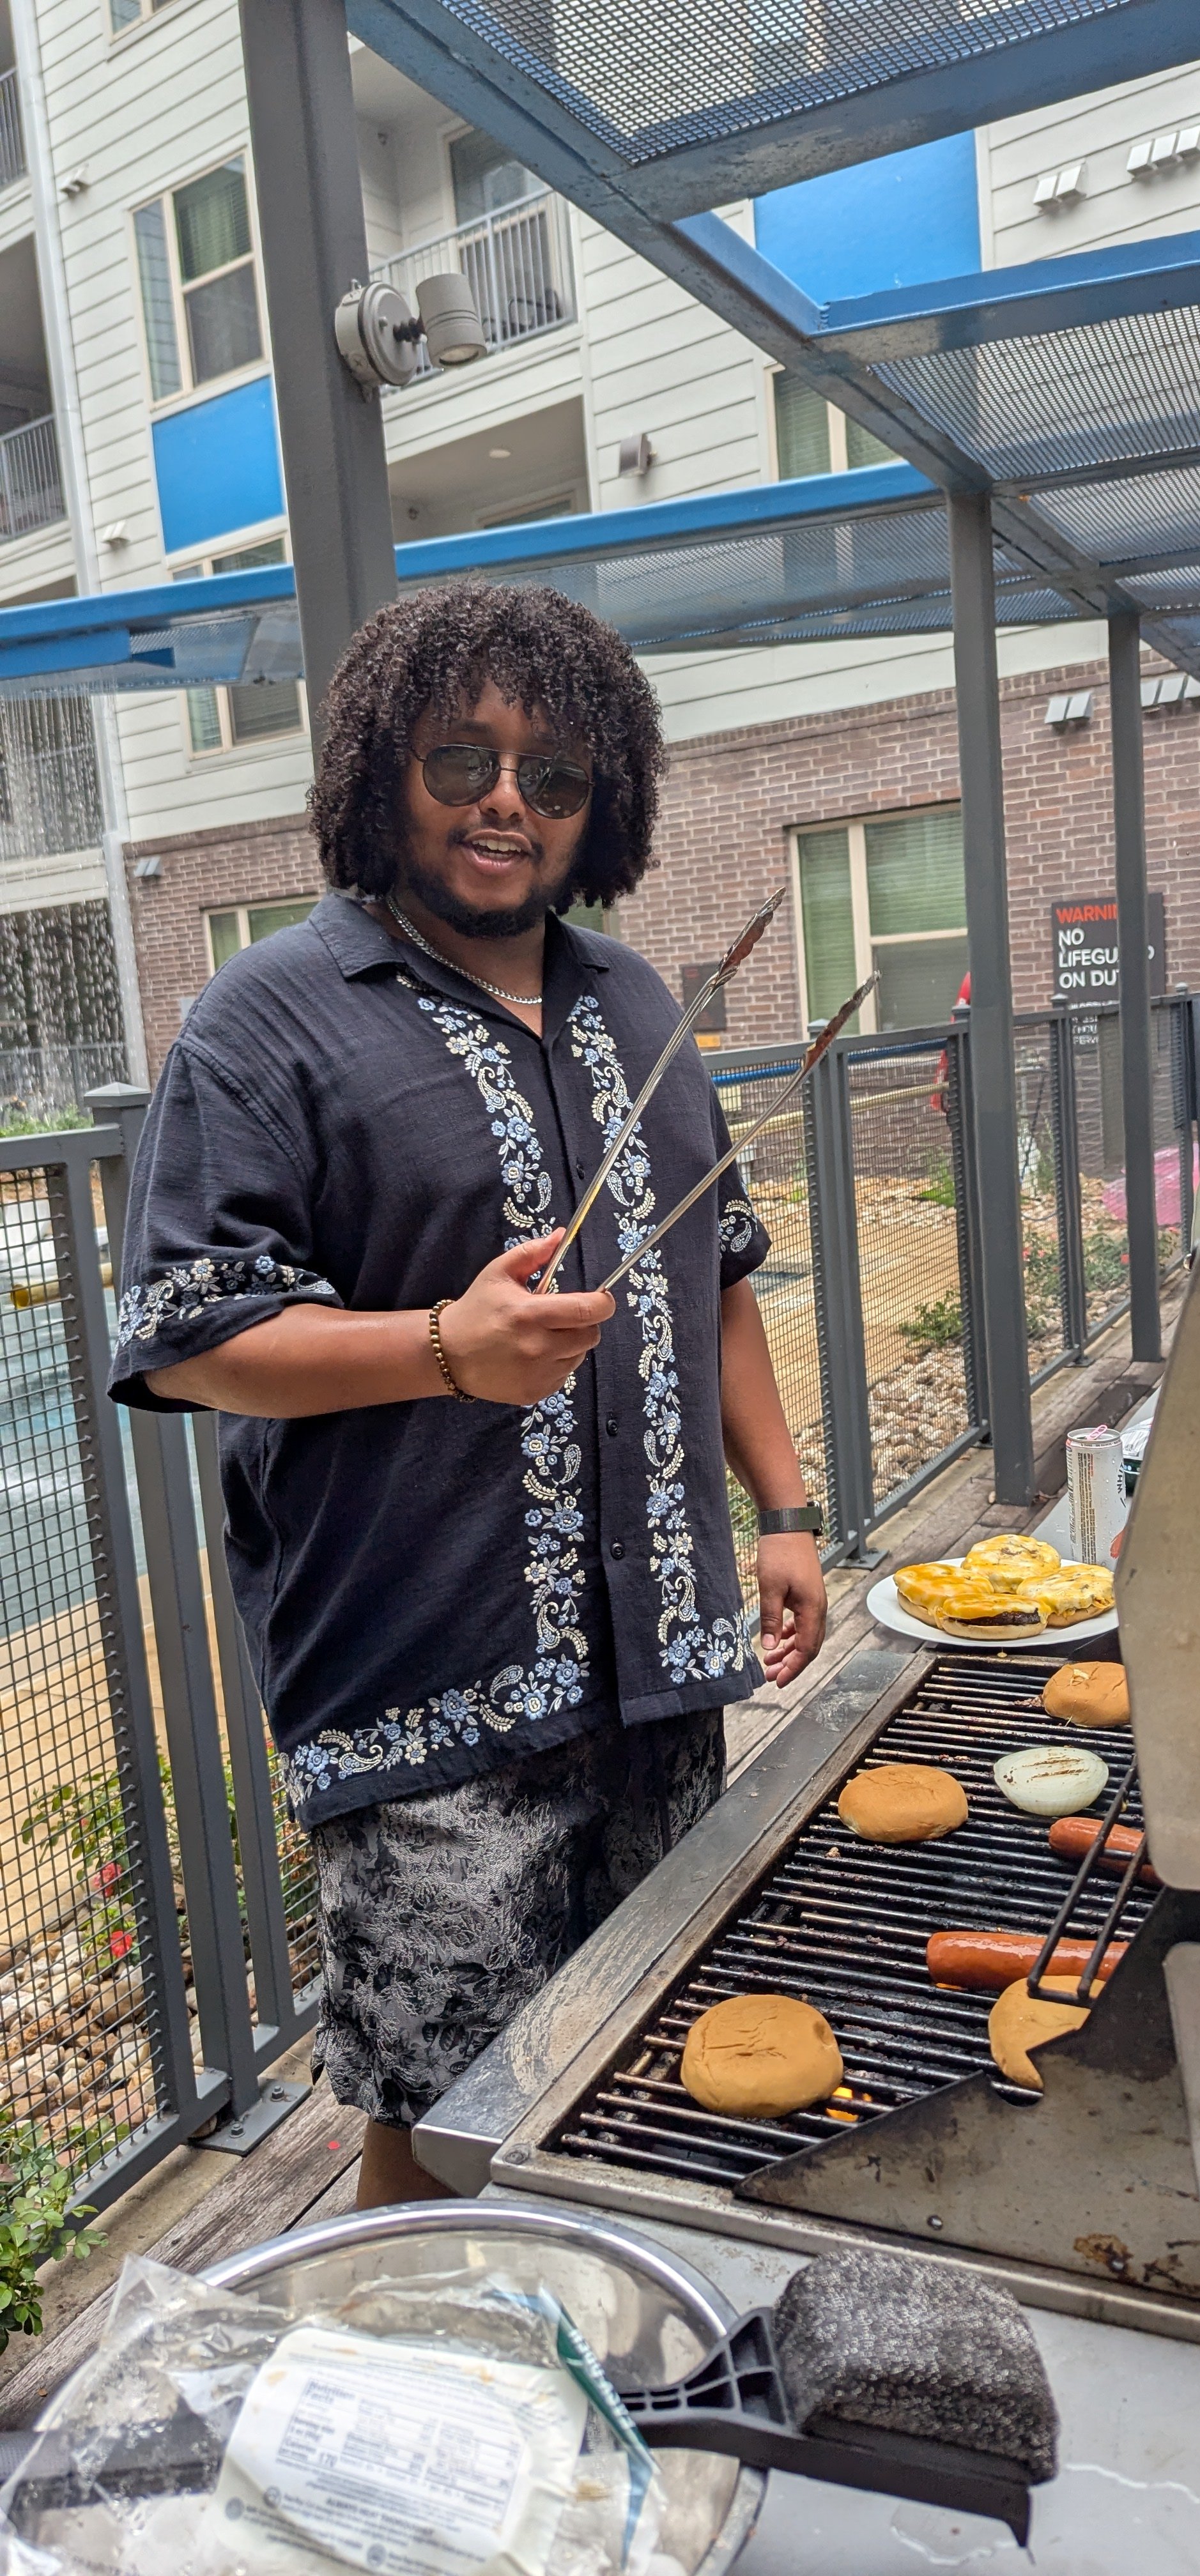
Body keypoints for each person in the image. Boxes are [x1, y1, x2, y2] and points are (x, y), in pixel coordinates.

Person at [108, 581, 827, 2207]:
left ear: (600, 805)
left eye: (553, 774)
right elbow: (189, 1335)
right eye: (463, 760)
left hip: (661, 1660)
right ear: (385, 770)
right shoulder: (266, 1019)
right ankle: (410, 2354)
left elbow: (713, 1275)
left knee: (644, 2050)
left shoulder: (638, 1004)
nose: (509, 800)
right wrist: (443, 1344)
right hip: (426, 1680)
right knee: (442, 2123)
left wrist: (783, 1512)